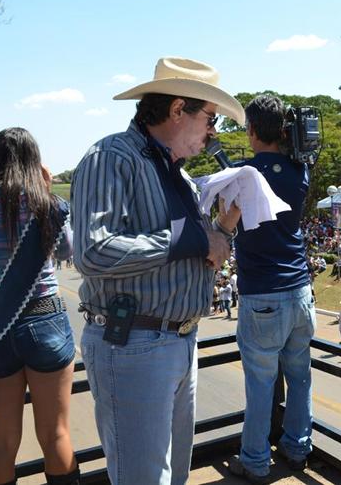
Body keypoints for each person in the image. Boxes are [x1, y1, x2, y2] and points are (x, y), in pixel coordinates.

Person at [73, 57, 241, 485]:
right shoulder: (112, 156)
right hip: (134, 343)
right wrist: (194, 240)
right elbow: (93, 251)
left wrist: (224, 228)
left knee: (173, 475)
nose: (213, 132)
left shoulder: (178, 176)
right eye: (211, 118)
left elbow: (196, 252)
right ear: (178, 108)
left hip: (178, 340)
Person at [0, 128, 78, 485]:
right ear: (33, 162)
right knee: (55, 434)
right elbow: (66, 251)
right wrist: (47, 192)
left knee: (2, 443)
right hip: (44, 317)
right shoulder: (43, 204)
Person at [228, 95, 315, 483]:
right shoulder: (300, 170)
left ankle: (255, 460)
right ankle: (297, 448)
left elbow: (225, 218)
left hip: (262, 292)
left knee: (261, 384)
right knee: (300, 377)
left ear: (250, 129)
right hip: (300, 290)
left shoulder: (241, 174)